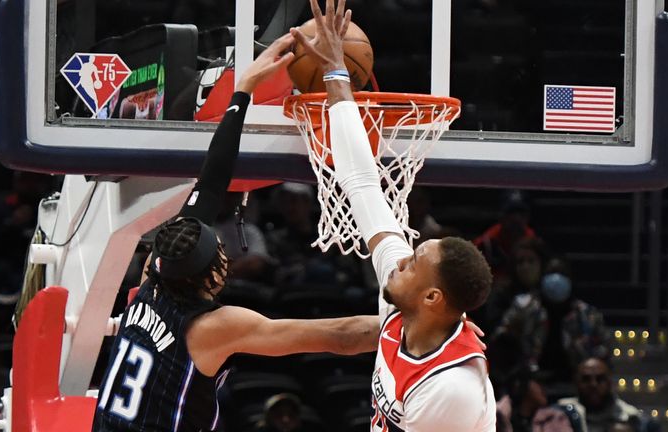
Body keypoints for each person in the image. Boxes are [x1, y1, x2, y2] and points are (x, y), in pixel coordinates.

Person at [92, 34, 379, 432]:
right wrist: (417, 322)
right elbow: (338, 336)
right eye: (221, 252)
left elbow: (211, 181)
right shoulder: (210, 327)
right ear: (213, 276)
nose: (225, 252)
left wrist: (243, 90)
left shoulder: (153, 278)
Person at [290, 1, 495, 430]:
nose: (401, 259)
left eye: (414, 262)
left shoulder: (452, 388)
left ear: (432, 298)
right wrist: (335, 72)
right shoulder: (407, 308)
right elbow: (361, 182)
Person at [558, 358, 651, 432]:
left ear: (609, 382)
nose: (593, 384)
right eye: (586, 379)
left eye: (600, 379)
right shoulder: (560, 414)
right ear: (576, 382)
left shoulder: (630, 416)